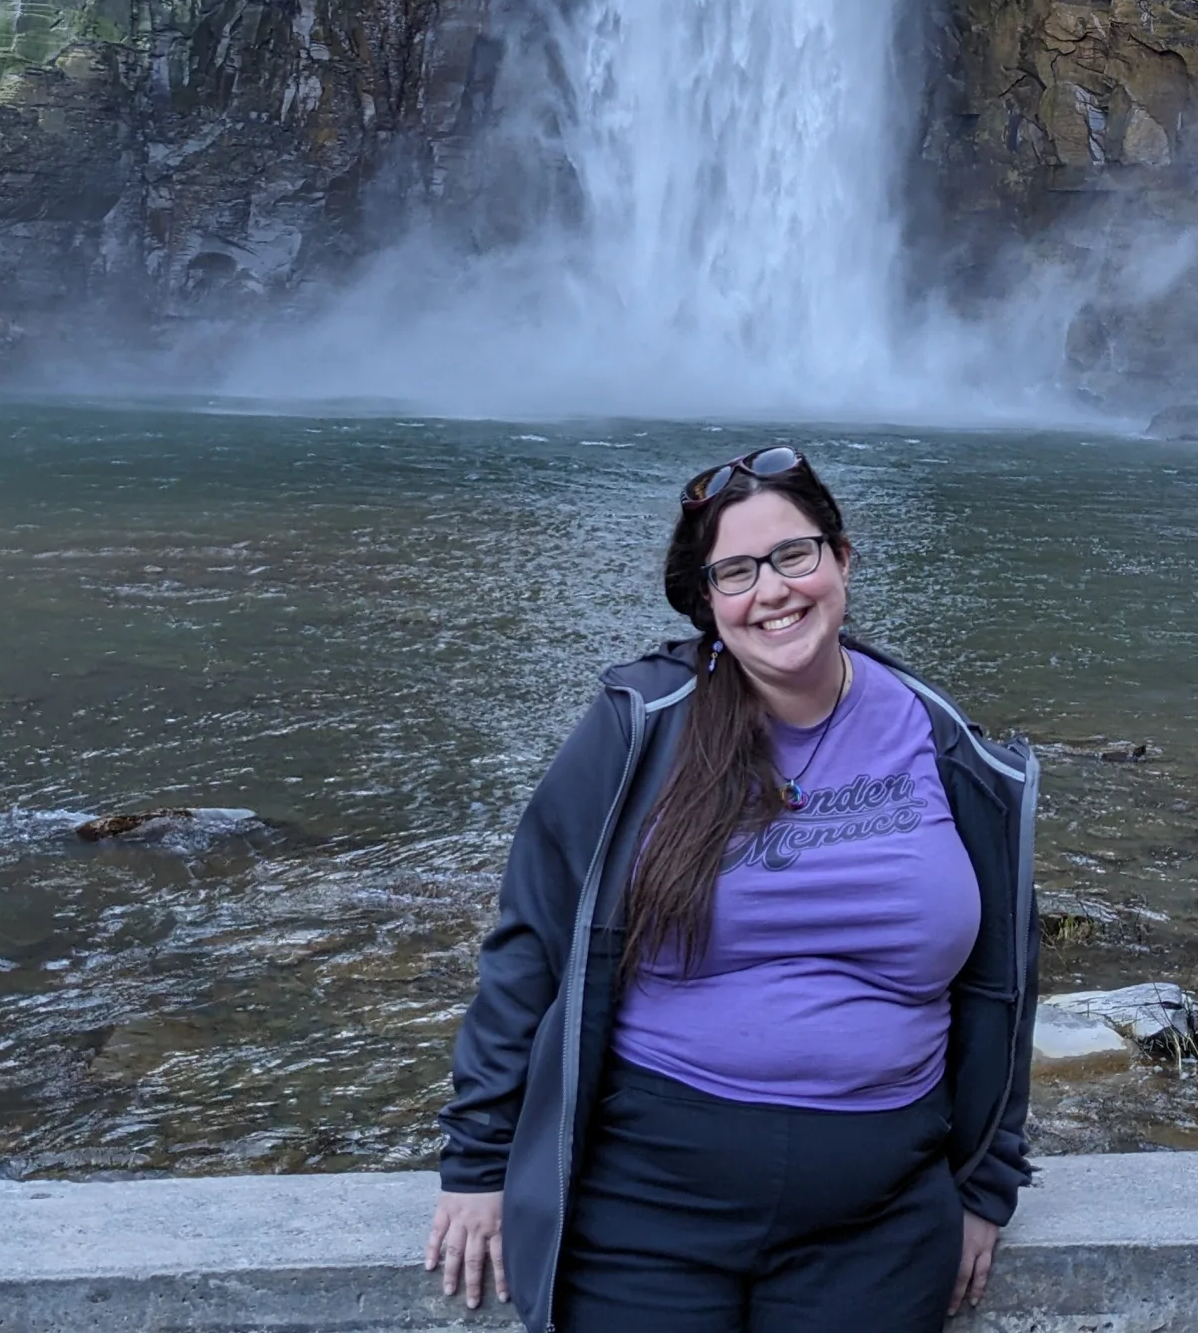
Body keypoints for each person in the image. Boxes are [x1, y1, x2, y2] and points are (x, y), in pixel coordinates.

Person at [425, 444, 1039, 1332]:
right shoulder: (642, 731)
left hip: (879, 1217)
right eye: (737, 572)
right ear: (709, 603)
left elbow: (1004, 981)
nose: (775, 590)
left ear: (842, 560)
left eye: (796, 555)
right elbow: (532, 940)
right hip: (644, 1205)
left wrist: (987, 1182)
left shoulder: (945, 746)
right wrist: (478, 1165)